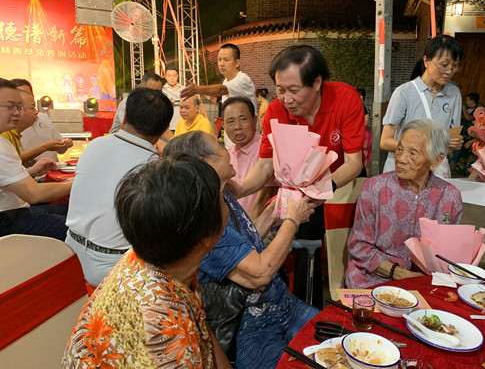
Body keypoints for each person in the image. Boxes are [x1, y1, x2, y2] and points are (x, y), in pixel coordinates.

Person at [163, 131, 318, 369]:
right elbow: (259, 273)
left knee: (336, 339)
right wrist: (293, 221)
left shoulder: (222, 194)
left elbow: (245, 242)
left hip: (279, 303)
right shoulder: (204, 218)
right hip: (253, 323)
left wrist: (274, 212)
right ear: (206, 164)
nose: (227, 151)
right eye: (219, 146)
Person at [62, 155, 232, 369]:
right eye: (222, 198)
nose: (227, 202)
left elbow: (201, 327)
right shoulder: (166, 334)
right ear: (205, 236)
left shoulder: (154, 252)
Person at [229, 45, 366, 307]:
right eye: (280, 90)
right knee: (302, 244)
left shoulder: (345, 98)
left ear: (316, 83)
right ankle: (303, 309)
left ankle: (345, 304)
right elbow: (266, 166)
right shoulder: (275, 111)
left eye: (294, 90)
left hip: (339, 181)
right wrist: (240, 189)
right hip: (298, 191)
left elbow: (353, 163)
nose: (286, 99)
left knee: (342, 250)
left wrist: (321, 189)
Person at [65, 87, 173, 287]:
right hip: (111, 267)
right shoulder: (151, 166)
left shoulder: (95, 145)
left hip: (70, 252)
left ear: (124, 116)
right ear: (164, 128)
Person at [345, 118, 463, 288]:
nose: (400, 159)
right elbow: (359, 246)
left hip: (425, 282)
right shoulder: (375, 188)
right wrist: (401, 274)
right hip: (373, 279)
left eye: (412, 153)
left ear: (435, 161)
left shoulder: (450, 197)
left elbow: (447, 255)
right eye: (399, 149)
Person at [381, 35, 464, 178]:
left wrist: (454, 143)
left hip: (436, 173)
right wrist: (419, 150)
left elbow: (448, 148)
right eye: (444, 65)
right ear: (426, 61)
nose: (449, 71)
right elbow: (385, 141)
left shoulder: (454, 93)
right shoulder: (404, 92)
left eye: (455, 66)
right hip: (405, 171)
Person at [0, 79, 72, 239]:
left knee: (72, 211)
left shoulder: (4, 141)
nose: (17, 112)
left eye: (19, 107)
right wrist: (79, 182)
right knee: (79, 230)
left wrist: (31, 171)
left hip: (18, 209)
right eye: (10, 106)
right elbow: (34, 194)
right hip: (8, 219)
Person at [179, 43, 257, 148]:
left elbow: (221, 90)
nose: (221, 64)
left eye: (226, 60)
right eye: (219, 60)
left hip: (247, 143)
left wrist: (197, 89)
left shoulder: (243, 79)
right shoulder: (226, 81)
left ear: (237, 63)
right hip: (233, 144)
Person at [222, 96, 277, 216]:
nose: (237, 126)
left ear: (254, 120)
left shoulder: (266, 150)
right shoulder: (228, 154)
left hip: (262, 229)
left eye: (243, 119)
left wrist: (248, 233)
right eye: (230, 121)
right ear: (223, 125)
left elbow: (264, 197)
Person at [6, 79, 73, 165]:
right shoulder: (8, 129)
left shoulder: (44, 117)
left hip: (52, 171)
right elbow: (13, 161)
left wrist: (65, 144)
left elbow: (60, 149)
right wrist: (45, 147)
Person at [452, 92, 480, 176]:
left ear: (472, 101)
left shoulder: (478, 110)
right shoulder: (466, 110)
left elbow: (469, 118)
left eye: (467, 100)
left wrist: (463, 109)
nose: (466, 102)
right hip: (463, 134)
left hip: (471, 136)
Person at [161, 64, 183, 132]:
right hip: (167, 128)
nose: (172, 78)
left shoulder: (184, 89)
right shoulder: (162, 90)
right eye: (169, 76)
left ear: (178, 76)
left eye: (174, 76)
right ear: (165, 77)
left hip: (182, 126)